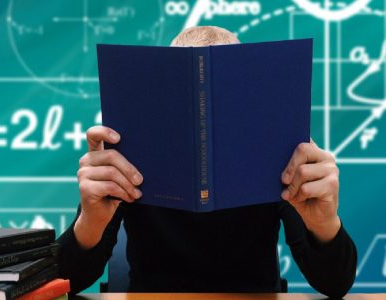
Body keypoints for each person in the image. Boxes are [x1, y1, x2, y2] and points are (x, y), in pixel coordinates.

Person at [57, 26, 357, 298]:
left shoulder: (277, 153)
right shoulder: (127, 150)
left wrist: (323, 223)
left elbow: (335, 283)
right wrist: (91, 222)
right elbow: (65, 280)